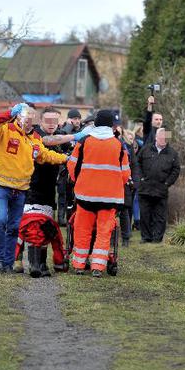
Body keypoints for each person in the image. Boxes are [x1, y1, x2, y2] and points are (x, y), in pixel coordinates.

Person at [0, 103, 68, 273]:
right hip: (1, 186)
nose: (28, 123)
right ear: (18, 117)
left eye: (31, 121)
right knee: (1, 220)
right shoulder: (5, 130)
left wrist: (66, 158)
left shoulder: (35, 138)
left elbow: (46, 155)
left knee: (15, 227)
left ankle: (8, 263)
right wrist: (9, 112)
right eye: (26, 119)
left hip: (21, 189)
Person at [14, 106, 76, 277]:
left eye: (54, 121)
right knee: (31, 224)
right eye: (48, 120)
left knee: (47, 226)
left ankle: (42, 263)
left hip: (49, 190)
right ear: (40, 122)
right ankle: (26, 262)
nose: (51, 124)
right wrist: (74, 136)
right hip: (31, 187)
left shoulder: (59, 141)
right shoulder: (36, 136)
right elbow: (49, 142)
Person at [67, 110, 131, 277]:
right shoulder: (119, 145)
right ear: (112, 125)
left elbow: (72, 165)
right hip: (110, 197)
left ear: (95, 123)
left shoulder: (84, 141)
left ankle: (79, 264)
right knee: (104, 232)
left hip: (85, 195)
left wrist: (77, 181)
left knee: (82, 229)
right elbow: (125, 173)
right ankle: (97, 267)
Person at [137, 127, 180, 243]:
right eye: (160, 137)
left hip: (161, 189)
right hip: (145, 188)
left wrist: (167, 183)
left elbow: (176, 170)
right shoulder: (146, 149)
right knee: (145, 214)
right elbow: (138, 163)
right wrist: (140, 177)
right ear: (156, 137)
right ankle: (146, 237)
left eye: (165, 137)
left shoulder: (172, 153)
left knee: (160, 216)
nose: (162, 139)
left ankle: (157, 238)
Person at [56, 109, 82, 226]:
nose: (77, 121)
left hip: (77, 168)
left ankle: (71, 217)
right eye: (74, 119)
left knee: (73, 195)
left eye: (78, 119)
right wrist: (68, 127)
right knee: (62, 193)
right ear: (70, 119)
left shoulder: (82, 132)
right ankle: (61, 218)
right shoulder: (63, 131)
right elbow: (61, 143)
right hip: (64, 168)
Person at [119, 128, 140, 247]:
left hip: (125, 182)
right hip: (110, 182)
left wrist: (135, 181)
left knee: (124, 210)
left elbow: (134, 165)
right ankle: (111, 237)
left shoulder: (128, 146)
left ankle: (126, 238)